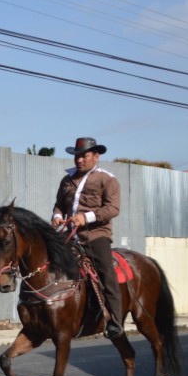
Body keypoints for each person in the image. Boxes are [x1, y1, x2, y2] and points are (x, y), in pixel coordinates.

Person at [51, 137, 124, 339]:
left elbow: (113, 208)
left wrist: (86, 217)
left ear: (96, 156)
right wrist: (57, 216)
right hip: (69, 235)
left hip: (96, 236)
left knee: (106, 274)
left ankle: (115, 322)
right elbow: (59, 205)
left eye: (84, 156)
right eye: (77, 156)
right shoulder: (67, 180)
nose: (80, 160)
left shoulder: (107, 179)